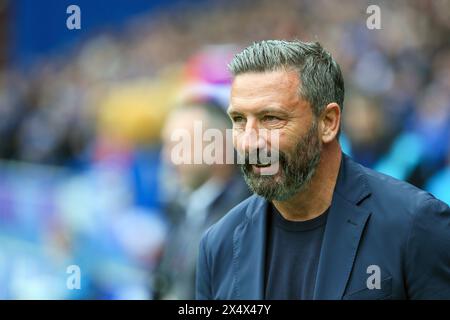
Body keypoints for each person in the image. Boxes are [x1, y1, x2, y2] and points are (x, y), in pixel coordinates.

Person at [195, 40, 450, 300]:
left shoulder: (415, 224)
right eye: (239, 120)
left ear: (328, 122)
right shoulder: (218, 244)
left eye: (271, 118)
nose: (250, 142)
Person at [154, 99, 250, 299]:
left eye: (179, 145)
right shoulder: (181, 207)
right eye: (167, 145)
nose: (167, 158)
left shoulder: (247, 219)